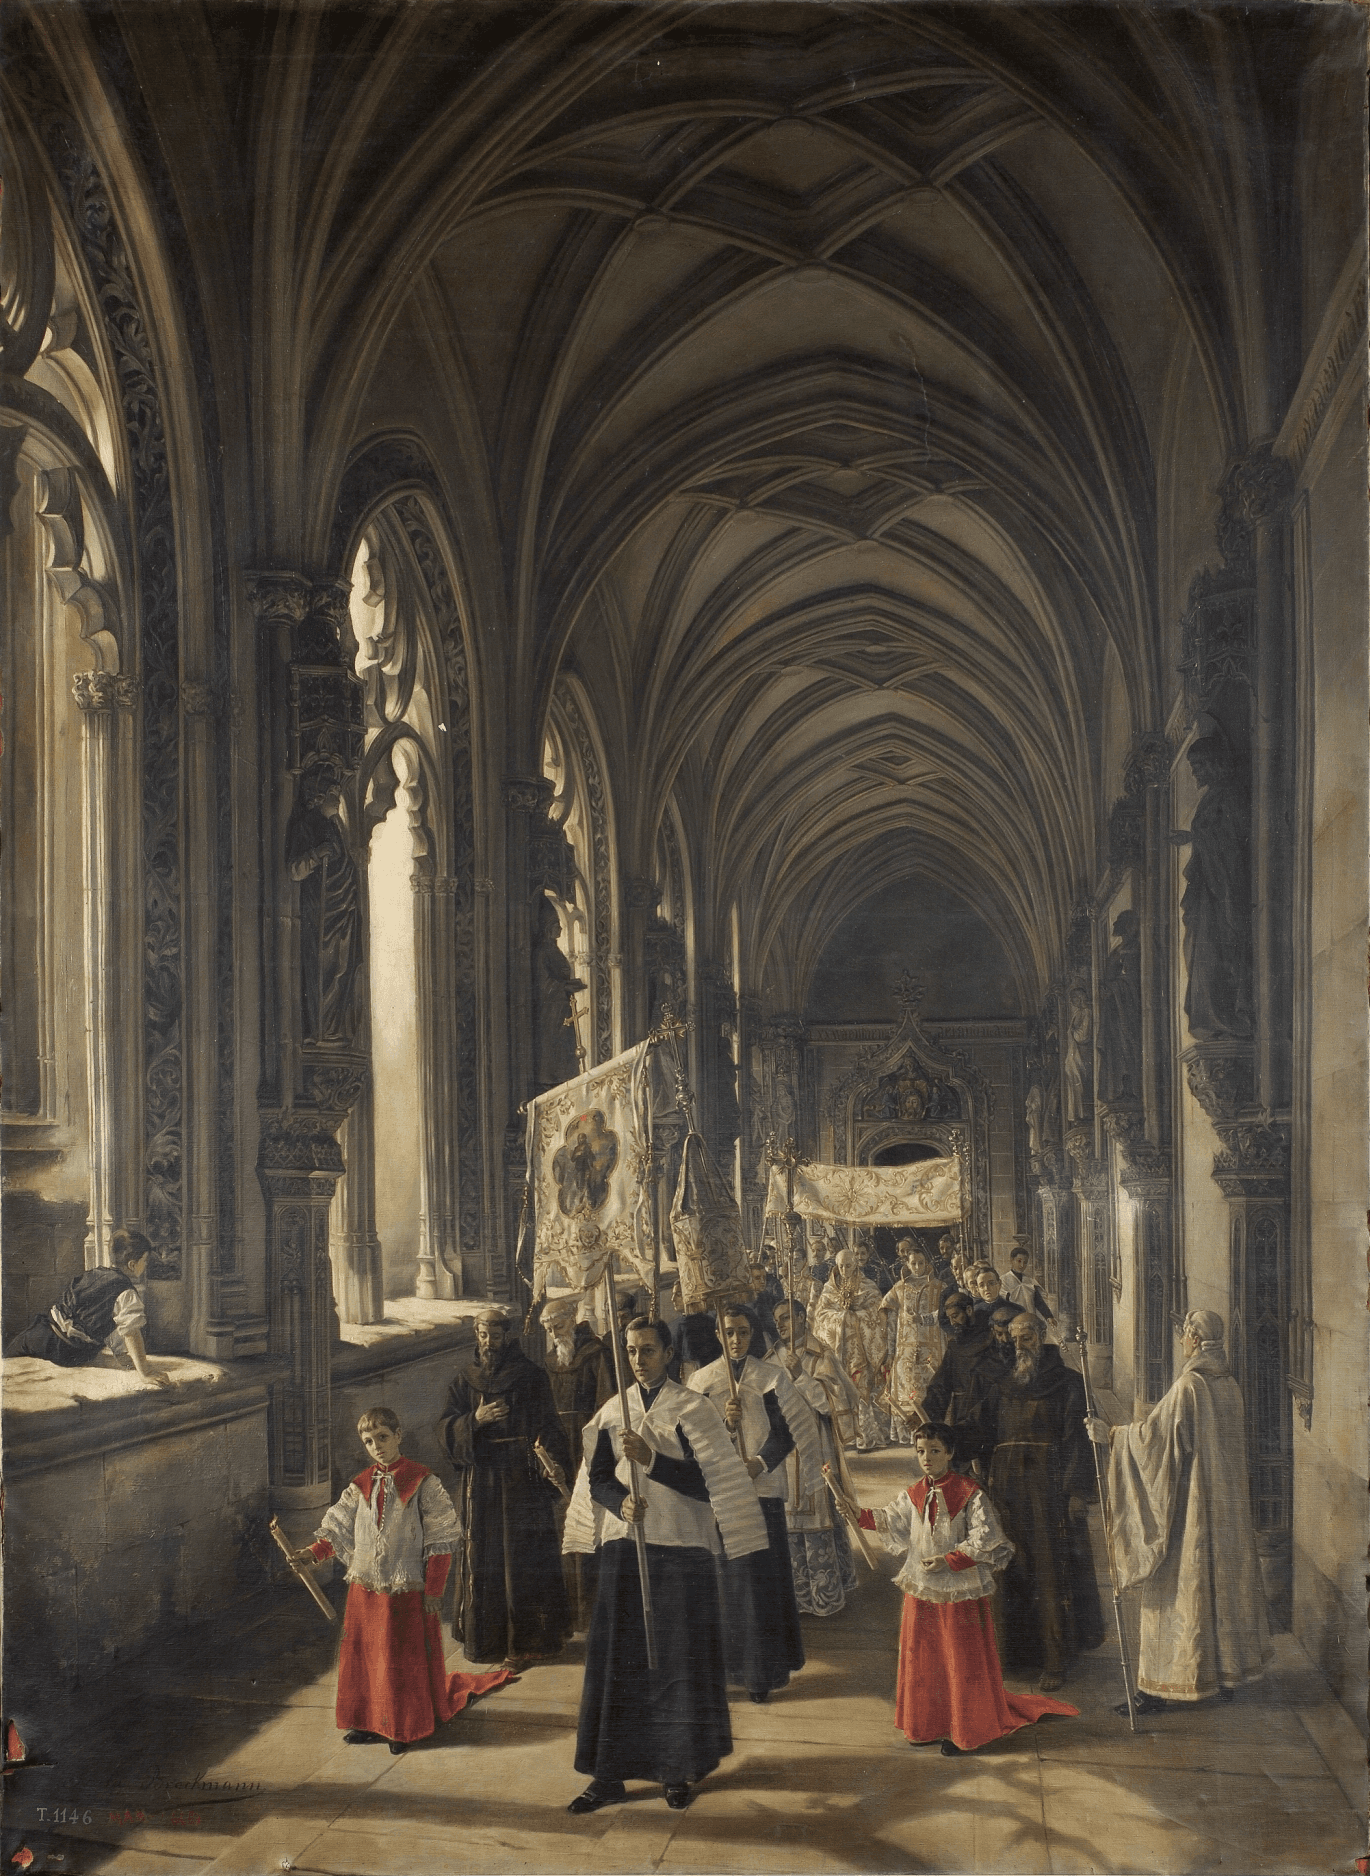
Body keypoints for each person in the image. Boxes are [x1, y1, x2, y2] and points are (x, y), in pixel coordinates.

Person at [563, 1316, 769, 1814]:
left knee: (679, 1659)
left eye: (648, 1350)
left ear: (669, 1353)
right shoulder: (615, 1411)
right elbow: (597, 1482)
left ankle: (679, 1767)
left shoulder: (694, 1409)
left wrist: (653, 1461)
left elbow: (709, 1484)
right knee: (619, 1661)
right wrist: (620, 1505)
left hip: (681, 1550)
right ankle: (609, 1775)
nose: (638, 1359)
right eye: (632, 1351)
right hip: (626, 1548)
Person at [840, 1423, 1079, 1754]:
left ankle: (966, 1731)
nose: (926, 1458)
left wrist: (949, 1559)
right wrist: (858, 1514)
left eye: (935, 1451)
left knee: (959, 1659)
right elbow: (890, 1520)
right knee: (924, 1656)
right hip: (922, 1588)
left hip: (958, 1591)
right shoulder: (913, 1493)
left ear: (950, 1454)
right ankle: (926, 1724)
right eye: (921, 1451)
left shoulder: (970, 1493)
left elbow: (987, 1537)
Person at [290, 1406, 512, 1751]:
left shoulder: (423, 1481)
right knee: (366, 1656)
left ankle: (403, 1727)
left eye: (382, 1437)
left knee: (399, 1659)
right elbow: (338, 1529)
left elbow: (440, 1541)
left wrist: (434, 1589)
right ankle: (366, 1722)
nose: (377, 1446)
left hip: (406, 1589)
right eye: (368, 1441)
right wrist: (311, 1553)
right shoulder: (359, 1485)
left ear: (398, 1436)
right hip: (365, 1588)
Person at [1086, 1309, 1273, 1711]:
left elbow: (1154, 1440)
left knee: (1176, 1589)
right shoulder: (1229, 1385)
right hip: (1226, 1510)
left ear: (1193, 1337)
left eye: (1183, 1334)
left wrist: (1111, 1436)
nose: (1180, 1342)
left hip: (1191, 1510)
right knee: (1219, 1589)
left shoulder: (1190, 1385)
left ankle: (1159, 1689)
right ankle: (1222, 1676)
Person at [963, 1313, 1104, 1691]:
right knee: (1010, 1566)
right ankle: (1016, 1656)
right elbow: (980, 1430)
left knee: (1049, 1569)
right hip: (1006, 1489)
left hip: (1048, 1489)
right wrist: (957, 1443)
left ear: (1042, 1337)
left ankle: (1055, 1660)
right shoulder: (1002, 1384)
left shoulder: (1069, 1383)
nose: (1020, 1346)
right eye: (1015, 1339)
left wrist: (1076, 1492)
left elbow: (1079, 1439)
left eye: (1027, 1338)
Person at [688, 1303, 820, 1700]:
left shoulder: (772, 1377)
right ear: (717, 1334)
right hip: (720, 1493)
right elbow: (690, 1438)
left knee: (759, 1584)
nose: (736, 1340)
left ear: (753, 1333)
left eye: (743, 1332)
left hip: (761, 1490)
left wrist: (758, 1463)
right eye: (728, 1332)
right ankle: (725, 1672)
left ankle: (761, 1676)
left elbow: (786, 1434)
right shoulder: (701, 1381)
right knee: (725, 1585)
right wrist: (725, 1426)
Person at [439, 1308, 574, 1670]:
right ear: (476, 1335)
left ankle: (527, 1644)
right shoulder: (464, 1381)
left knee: (522, 1559)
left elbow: (549, 1426)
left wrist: (553, 1460)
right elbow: (445, 1429)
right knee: (484, 1557)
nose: (488, 1343)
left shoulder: (530, 1376)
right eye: (482, 1335)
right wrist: (475, 1420)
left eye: (494, 1336)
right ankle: (487, 1641)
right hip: (480, 1483)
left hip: (521, 1480)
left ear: (506, 1336)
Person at [772, 1297, 859, 1615]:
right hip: (783, 1450)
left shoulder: (819, 1353)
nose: (780, 1325)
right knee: (788, 1516)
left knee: (817, 1513)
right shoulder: (772, 1356)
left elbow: (833, 1405)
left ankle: (823, 1595)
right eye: (777, 1320)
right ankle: (797, 1597)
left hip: (813, 1447)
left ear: (801, 1317)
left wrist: (801, 1377)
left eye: (785, 1318)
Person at [6, 1228, 169, 1385]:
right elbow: (131, 1333)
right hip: (67, 1350)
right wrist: (145, 1372)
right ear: (132, 1264)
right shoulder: (126, 1292)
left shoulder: (95, 1273)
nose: (146, 1265)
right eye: (145, 1260)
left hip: (42, 1332)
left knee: (10, 1355)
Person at [541, 1295, 614, 1631]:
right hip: (559, 1445)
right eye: (549, 1329)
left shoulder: (594, 1354)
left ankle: (598, 1607)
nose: (555, 1334)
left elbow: (605, 1403)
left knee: (591, 1518)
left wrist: (598, 1449)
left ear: (572, 1321)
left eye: (558, 1326)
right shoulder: (549, 1360)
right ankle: (572, 1609)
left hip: (588, 1443)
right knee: (564, 1522)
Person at [812, 1244, 888, 1449]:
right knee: (839, 1390)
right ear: (836, 1265)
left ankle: (865, 1435)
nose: (844, 1270)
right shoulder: (829, 1289)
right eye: (841, 1266)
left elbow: (876, 1313)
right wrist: (841, 1319)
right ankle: (843, 1437)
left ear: (855, 1265)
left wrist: (854, 1317)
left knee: (860, 1387)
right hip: (837, 1350)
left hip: (860, 1350)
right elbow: (821, 1316)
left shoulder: (868, 1286)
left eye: (848, 1266)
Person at [879, 1241, 948, 1443]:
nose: (917, 1267)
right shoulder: (899, 1288)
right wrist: (889, 1347)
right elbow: (887, 1314)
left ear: (927, 1263)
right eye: (913, 1263)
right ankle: (908, 1435)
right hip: (906, 1350)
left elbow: (944, 1315)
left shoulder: (939, 1287)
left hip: (931, 1349)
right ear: (907, 1264)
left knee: (930, 1390)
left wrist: (923, 1319)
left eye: (921, 1263)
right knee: (907, 1391)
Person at [920, 1290, 992, 1428]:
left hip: (986, 1410)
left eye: (956, 1316)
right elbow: (941, 1383)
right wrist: (923, 1412)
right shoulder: (954, 1346)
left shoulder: (990, 1338)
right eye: (950, 1318)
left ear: (969, 1310)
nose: (953, 1323)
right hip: (961, 1412)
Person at [1001, 1241, 1059, 1343]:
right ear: (1011, 1260)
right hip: (1013, 1322)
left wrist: (1049, 1316)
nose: (1022, 1265)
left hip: (1030, 1320)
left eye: (1025, 1262)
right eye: (1019, 1261)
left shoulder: (1029, 1281)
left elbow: (1038, 1301)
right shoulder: (1004, 1280)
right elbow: (1003, 1304)